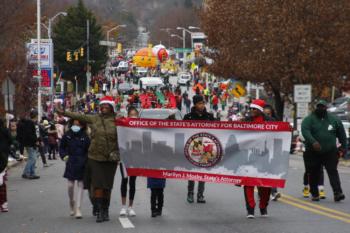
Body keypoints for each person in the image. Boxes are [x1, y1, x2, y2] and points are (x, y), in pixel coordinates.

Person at [56, 96, 120, 223]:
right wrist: (63, 112)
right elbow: (79, 116)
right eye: (103, 105)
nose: (104, 107)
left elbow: (135, 126)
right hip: (95, 157)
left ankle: (106, 210)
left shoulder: (118, 120)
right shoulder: (94, 118)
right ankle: (100, 210)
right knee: (98, 185)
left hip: (111, 158)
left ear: (112, 107)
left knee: (107, 186)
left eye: (107, 105)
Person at [301, 100, 346, 202]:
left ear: (326, 108)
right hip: (313, 152)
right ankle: (315, 193)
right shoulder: (309, 119)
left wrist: (343, 147)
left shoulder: (334, 120)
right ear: (316, 108)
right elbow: (305, 131)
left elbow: (342, 134)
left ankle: (337, 192)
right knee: (313, 172)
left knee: (332, 171)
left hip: (330, 151)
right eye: (319, 107)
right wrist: (313, 142)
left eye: (323, 107)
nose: (320, 109)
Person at [243, 99, 272, 218]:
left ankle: (263, 206)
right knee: (248, 183)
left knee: (265, 185)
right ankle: (250, 209)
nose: (252, 111)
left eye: (255, 109)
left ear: (260, 110)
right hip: (249, 157)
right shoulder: (246, 121)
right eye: (251, 109)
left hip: (265, 157)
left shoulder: (270, 121)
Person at [183, 95, 215, 204]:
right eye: (199, 103)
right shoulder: (188, 117)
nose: (202, 105)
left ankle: (200, 194)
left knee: (202, 172)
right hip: (193, 147)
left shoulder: (210, 117)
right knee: (192, 172)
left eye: (203, 103)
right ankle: (190, 193)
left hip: (207, 147)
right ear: (195, 104)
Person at [59, 119, 90, 219]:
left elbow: (88, 150)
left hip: (82, 163)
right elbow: (61, 147)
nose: (76, 126)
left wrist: (86, 160)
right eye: (74, 124)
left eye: (78, 124)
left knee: (81, 184)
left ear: (82, 126)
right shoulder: (67, 135)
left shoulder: (85, 136)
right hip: (71, 162)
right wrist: (64, 156)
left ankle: (78, 208)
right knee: (70, 185)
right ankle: (71, 201)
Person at [119, 106, 138, 217]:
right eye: (131, 115)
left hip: (136, 158)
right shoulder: (123, 127)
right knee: (124, 180)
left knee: (132, 182)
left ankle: (130, 207)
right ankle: (123, 207)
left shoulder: (141, 129)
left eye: (135, 115)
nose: (133, 117)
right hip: (124, 158)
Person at [263, 105, 282, 201]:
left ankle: (273, 192)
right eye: (265, 114)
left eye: (269, 114)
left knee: (272, 171)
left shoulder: (276, 122)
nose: (267, 116)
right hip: (261, 150)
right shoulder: (258, 122)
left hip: (272, 149)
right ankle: (264, 192)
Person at [17, 110, 40, 179]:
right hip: (30, 143)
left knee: (33, 158)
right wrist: (35, 140)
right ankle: (26, 173)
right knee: (32, 158)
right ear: (36, 115)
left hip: (29, 143)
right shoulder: (30, 123)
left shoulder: (29, 122)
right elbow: (30, 134)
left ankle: (32, 173)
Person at [0, 118, 12, 212]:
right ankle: (4, 204)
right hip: (2, 158)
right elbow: (11, 140)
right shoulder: (5, 130)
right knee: (2, 184)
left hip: (2, 157)